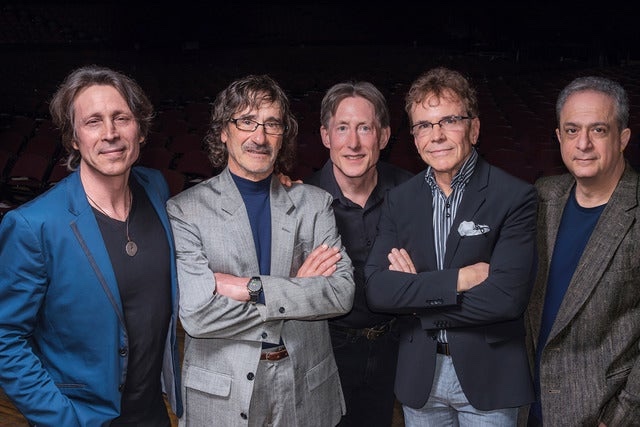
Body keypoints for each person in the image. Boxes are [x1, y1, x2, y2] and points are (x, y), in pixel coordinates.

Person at [165, 74, 356, 427]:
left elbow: (341, 294)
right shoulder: (184, 211)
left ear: (283, 135)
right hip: (221, 392)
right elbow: (197, 315)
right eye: (247, 121)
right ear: (224, 131)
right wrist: (300, 290)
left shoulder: (314, 204)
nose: (260, 136)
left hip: (306, 387)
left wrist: (251, 288)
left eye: (272, 124)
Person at [0, 65, 182, 426]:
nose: (110, 133)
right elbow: (5, 338)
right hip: (82, 418)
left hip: (153, 414)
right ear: (73, 137)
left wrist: (276, 184)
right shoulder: (32, 225)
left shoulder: (155, 187)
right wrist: (63, 419)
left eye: (121, 118)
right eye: (93, 122)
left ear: (140, 129)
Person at [364, 66, 537, 426]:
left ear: (474, 128)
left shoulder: (514, 196)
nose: (437, 135)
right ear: (414, 138)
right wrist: (459, 280)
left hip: (490, 377)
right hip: (420, 377)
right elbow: (379, 290)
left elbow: (505, 298)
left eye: (450, 121)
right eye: (424, 125)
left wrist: (417, 304)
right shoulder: (400, 200)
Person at [521, 76, 640, 426]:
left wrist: (621, 416)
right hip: (529, 406)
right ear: (559, 137)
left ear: (623, 139)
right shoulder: (543, 195)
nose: (583, 143)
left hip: (600, 413)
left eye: (598, 130)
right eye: (572, 130)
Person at [304, 81, 413, 426]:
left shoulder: (412, 193)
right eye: (342, 128)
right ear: (325, 136)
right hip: (326, 350)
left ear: (384, 136)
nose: (353, 143)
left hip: (395, 347)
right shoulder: (300, 200)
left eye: (364, 128)